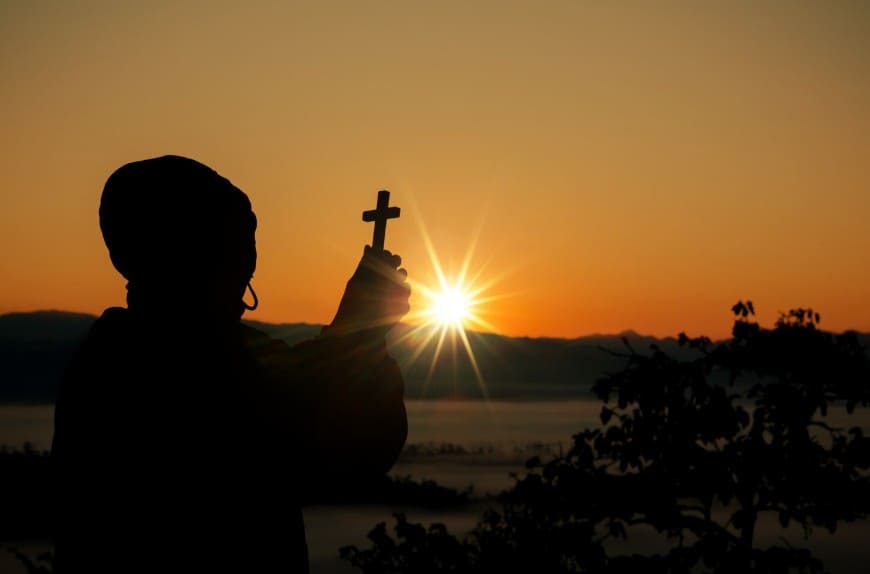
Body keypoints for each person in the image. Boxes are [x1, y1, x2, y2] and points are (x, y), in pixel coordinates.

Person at [51, 155, 410, 573]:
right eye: (236, 248)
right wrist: (360, 332)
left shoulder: (116, 352)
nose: (247, 266)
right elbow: (336, 451)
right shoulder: (157, 362)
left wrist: (356, 329)